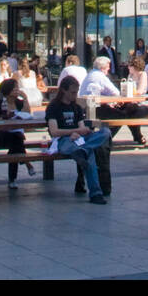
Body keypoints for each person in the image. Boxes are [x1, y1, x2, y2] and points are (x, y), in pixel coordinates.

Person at [46, 75, 110, 204]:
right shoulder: (54, 107)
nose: (75, 95)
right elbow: (54, 132)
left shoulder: (76, 107)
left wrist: (81, 133)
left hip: (79, 140)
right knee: (89, 153)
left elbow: (81, 127)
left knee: (105, 132)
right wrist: (73, 132)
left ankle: (82, 151)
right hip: (63, 139)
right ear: (64, 91)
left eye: (76, 92)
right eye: (73, 92)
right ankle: (95, 194)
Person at [79, 56, 148, 144]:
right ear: (102, 68)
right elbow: (115, 92)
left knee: (127, 113)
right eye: (108, 68)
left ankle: (137, 136)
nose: (108, 70)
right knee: (122, 116)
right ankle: (107, 139)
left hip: (87, 107)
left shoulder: (91, 74)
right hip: (95, 107)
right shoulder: (101, 77)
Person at [0, 78, 37, 189]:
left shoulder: (19, 103)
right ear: (8, 91)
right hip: (1, 134)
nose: (17, 90)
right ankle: (27, 163)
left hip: (16, 134)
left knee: (15, 146)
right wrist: (5, 117)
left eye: (18, 88)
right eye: (14, 88)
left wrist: (25, 98)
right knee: (17, 140)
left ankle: (12, 179)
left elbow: (27, 114)